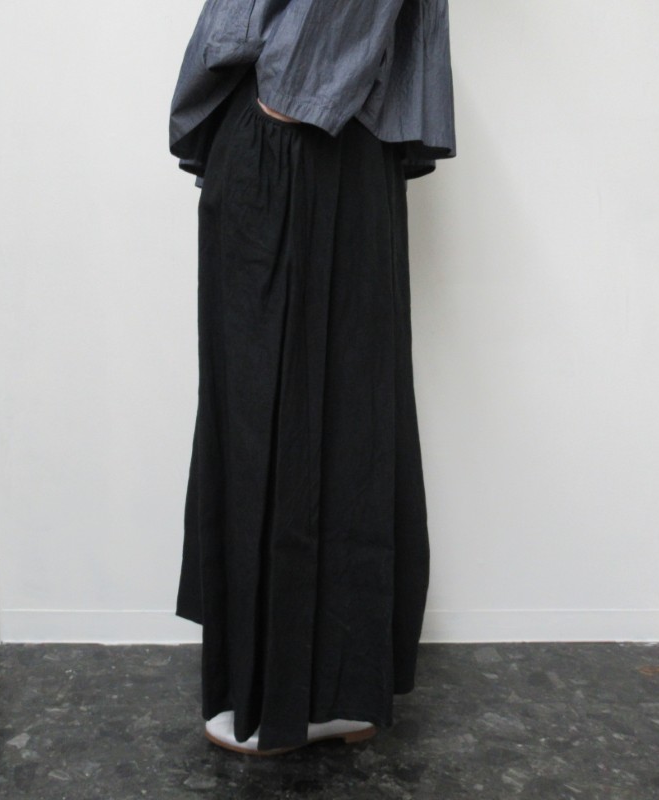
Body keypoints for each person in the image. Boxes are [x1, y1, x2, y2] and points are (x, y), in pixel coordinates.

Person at [169, 0, 456, 755]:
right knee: (338, 402)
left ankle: (293, 696)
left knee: (285, 407)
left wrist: (292, 94)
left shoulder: (296, 103)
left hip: (298, 136)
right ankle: (331, 688)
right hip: (322, 135)